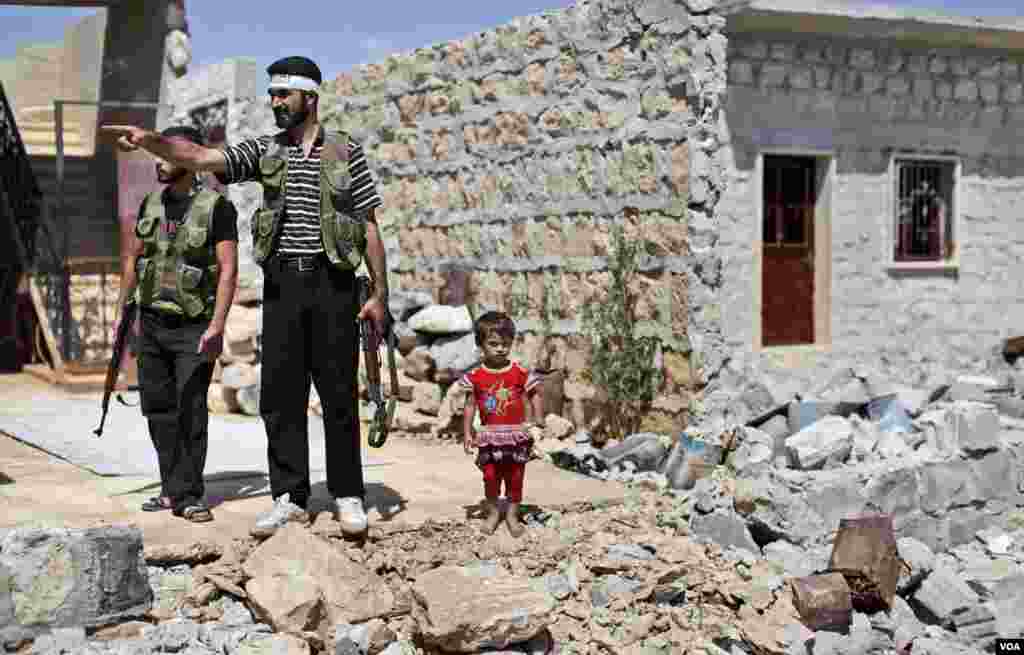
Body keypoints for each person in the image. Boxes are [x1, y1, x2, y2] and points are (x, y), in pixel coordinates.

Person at [102, 55, 389, 538]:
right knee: (280, 395)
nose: (275, 102)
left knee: (339, 393)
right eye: (272, 94)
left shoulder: (346, 152)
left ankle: (347, 494)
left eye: (284, 94)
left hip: (334, 285)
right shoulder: (265, 151)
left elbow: (368, 225)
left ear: (309, 97)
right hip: (282, 287)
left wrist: (379, 294)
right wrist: (151, 141)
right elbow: (202, 158)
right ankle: (289, 497)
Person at [115, 125, 239, 523]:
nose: (158, 162)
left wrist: (217, 325)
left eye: (166, 155)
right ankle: (172, 488)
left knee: (190, 407)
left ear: (188, 157)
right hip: (151, 322)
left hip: (193, 325)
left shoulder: (216, 207)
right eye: (156, 154)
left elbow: (228, 269)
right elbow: (134, 259)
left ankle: (189, 493)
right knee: (158, 408)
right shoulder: (150, 204)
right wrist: (124, 314)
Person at [459, 311, 544, 536]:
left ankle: (512, 515)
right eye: (493, 343)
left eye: (505, 344)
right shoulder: (475, 376)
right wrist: (467, 433)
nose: (500, 348)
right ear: (481, 344)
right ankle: (494, 512)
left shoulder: (519, 373)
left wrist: (538, 419)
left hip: (516, 437)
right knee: (490, 476)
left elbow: (535, 394)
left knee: (515, 477)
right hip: (489, 437)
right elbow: (470, 406)